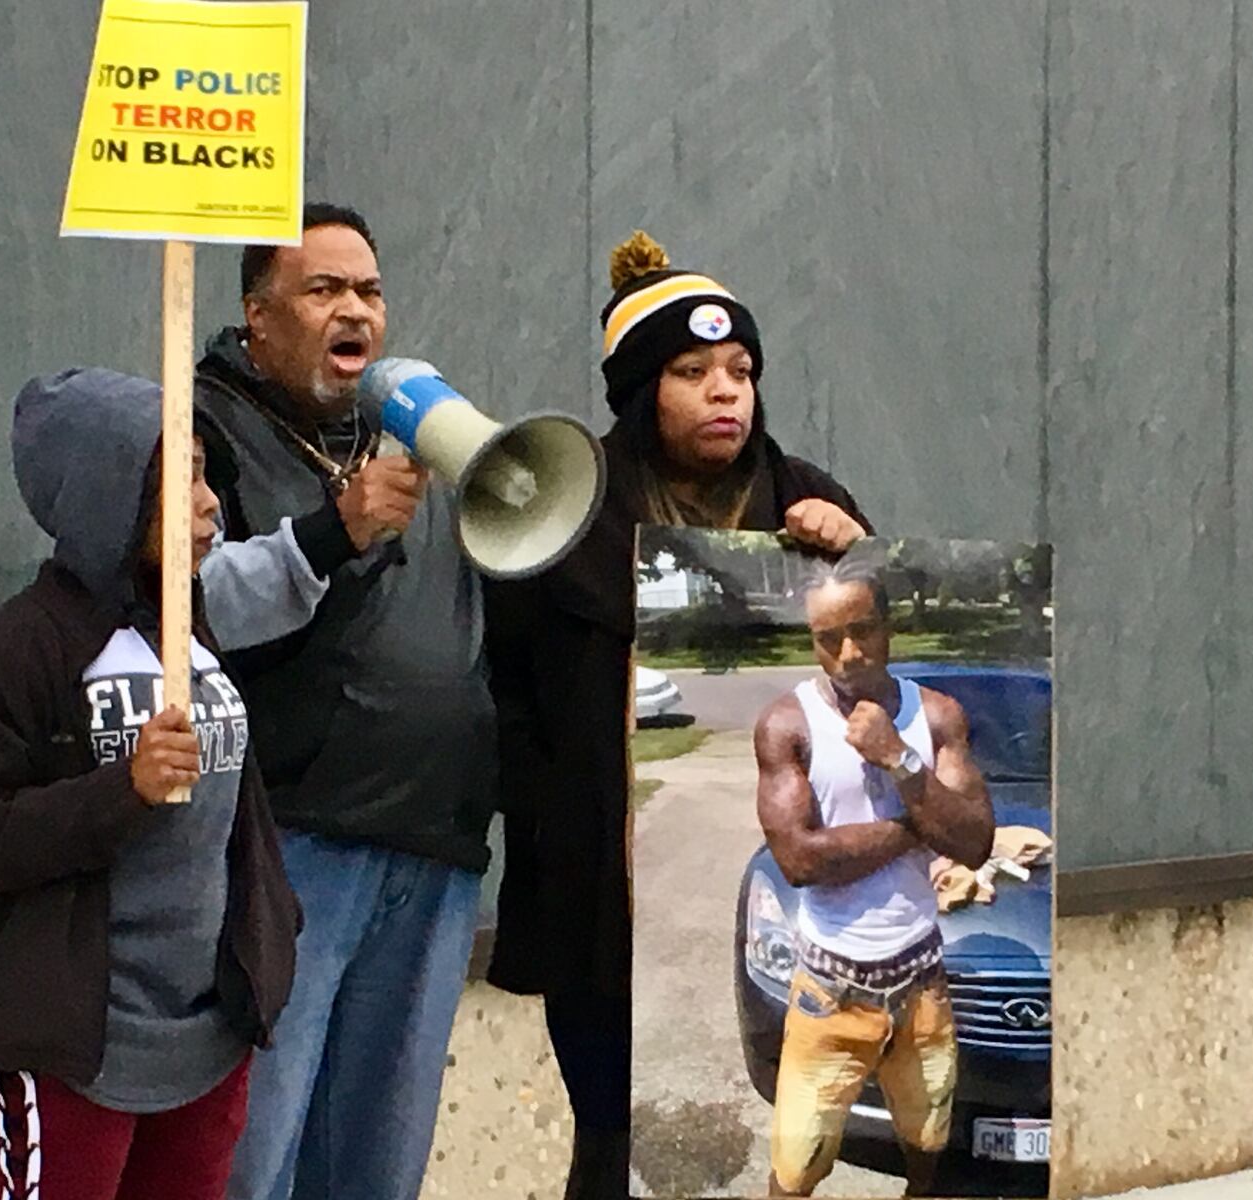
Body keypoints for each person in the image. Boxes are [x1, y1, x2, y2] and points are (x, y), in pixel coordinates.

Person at [484, 232, 875, 1199]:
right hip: (602, 901)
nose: (724, 392)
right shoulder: (565, 514)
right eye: (692, 372)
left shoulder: (809, 504)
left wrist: (859, 558)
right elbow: (511, 690)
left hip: (787, 906)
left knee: (779, 1143)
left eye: (740, 371)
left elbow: (878, 675)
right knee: (619, 1148)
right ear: (637, 392)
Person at [0, 368, 300, 1200]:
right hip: (74, 1049)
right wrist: (119, 792)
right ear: (108, 493)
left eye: (208, 474)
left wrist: (270, 939)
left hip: (204, 1037)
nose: (211, 505)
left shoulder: (191, 630)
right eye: (183, 477)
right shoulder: (15, 655)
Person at [191, 202, 498, 1200]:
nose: (352, 309)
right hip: (296, 843)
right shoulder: (206, 431)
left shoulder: (418, 428)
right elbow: (189, 614)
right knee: (262, 1149)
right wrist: (334, 529)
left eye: (367, 290)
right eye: (321, 289)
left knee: (377, 1156)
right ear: (256, 316)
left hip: (433, 841)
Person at [755, 557, 995, 1197]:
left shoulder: (936, 716)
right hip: (828, 992)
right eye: (828, 639)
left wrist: (899, 758)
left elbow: (974, 844)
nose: (849, 653)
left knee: (927, 1147)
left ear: (889, 629)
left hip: (922, 988)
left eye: (863, 631)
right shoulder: (789, 725)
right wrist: (917, 828)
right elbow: (800, 862)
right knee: (793, 1169)